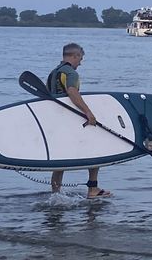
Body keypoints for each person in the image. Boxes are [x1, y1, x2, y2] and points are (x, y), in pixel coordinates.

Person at [47, 43, 111, 198]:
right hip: (71, 120)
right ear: (74, 56)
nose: (80, 63)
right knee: (96, 150)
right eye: (80, 59)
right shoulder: (71, 73)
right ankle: (93, 189)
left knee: (60, 159)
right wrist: (88, 112)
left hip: (56, 121)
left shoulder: (53, 74)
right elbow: (72, 92)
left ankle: (55, 194)